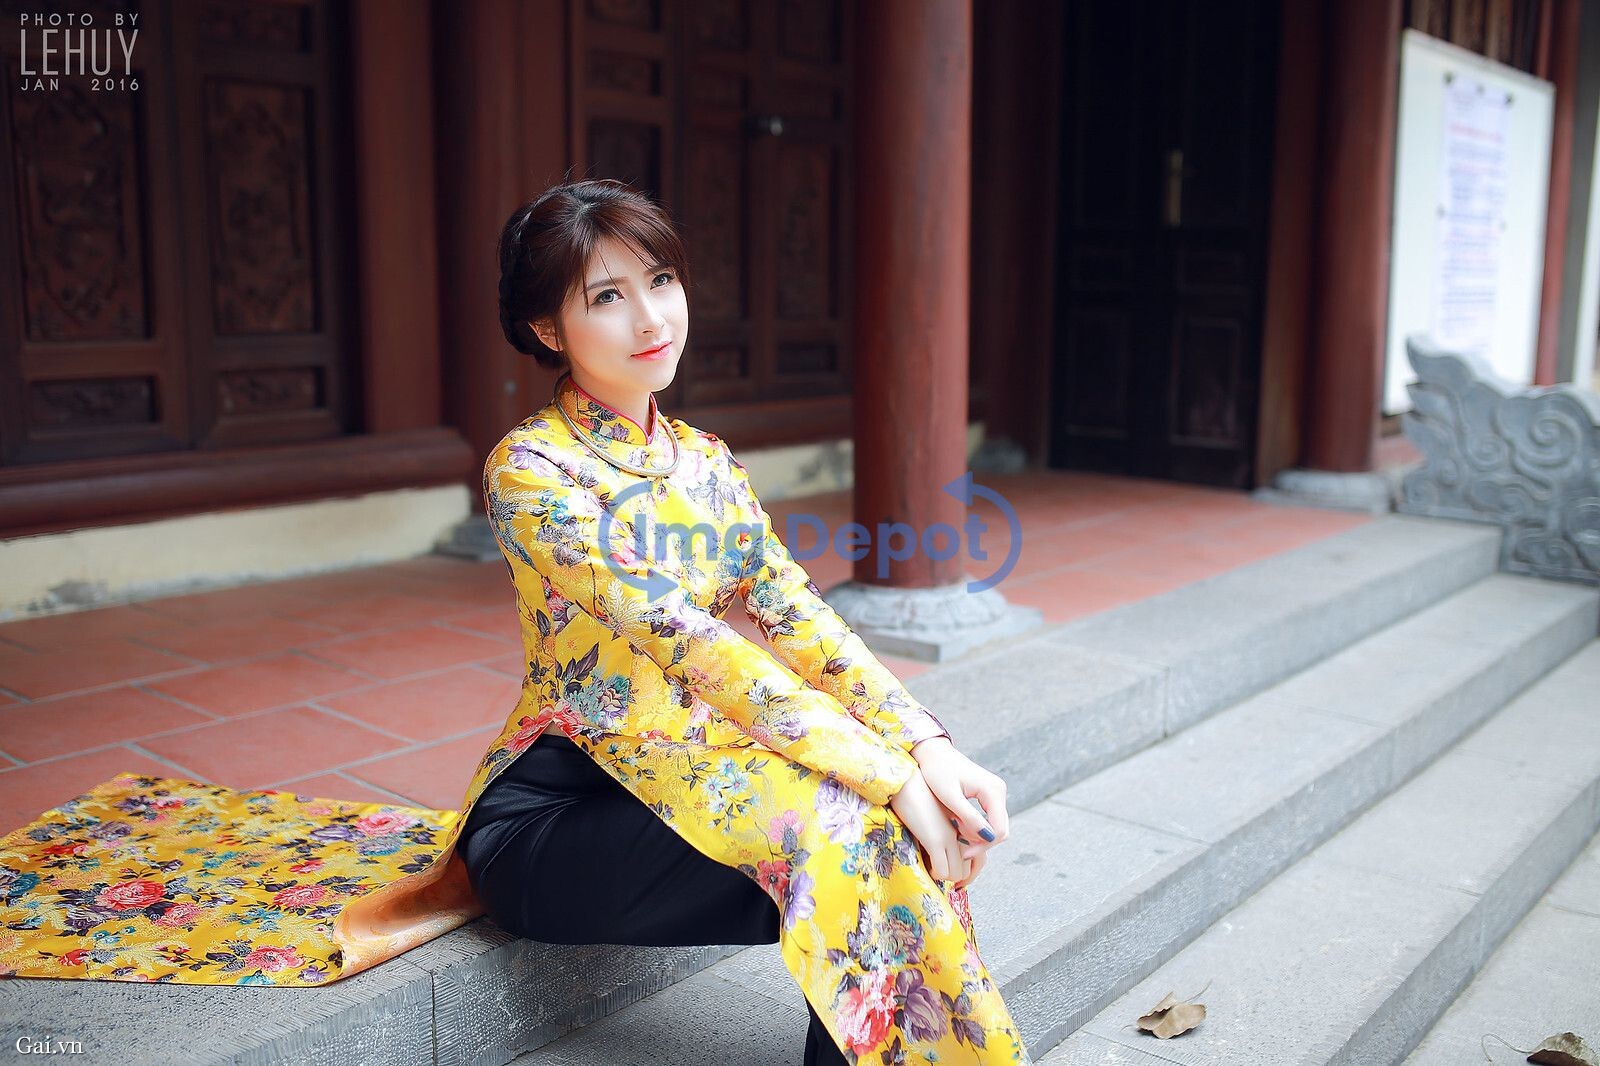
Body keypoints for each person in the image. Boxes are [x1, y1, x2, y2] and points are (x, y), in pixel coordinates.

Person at [460, 178, 1032, 1064]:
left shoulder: (708, 466)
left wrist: (927, 748)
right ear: (548, 329)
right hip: (558, 815)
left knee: (883, 826)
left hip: (683, 783)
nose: (651, 317)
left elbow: (801, 621)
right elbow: (696, 648)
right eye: (607, 297)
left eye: (660, 281)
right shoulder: (533, 470)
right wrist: (886, 774)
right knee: (853, 820)